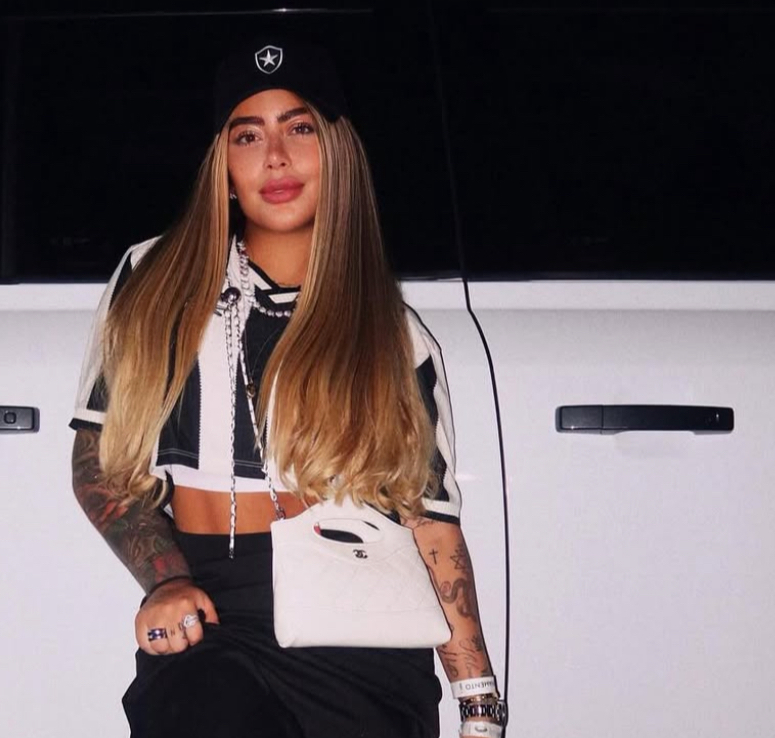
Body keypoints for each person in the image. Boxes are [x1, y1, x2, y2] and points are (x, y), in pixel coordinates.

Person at [70, 38, 507, 738]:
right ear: (224, 164)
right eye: (248, 135)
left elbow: (430, 523)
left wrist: (478, 702)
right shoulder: (154, 279)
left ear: (337, 152)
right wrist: (166, 579)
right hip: (215, 609)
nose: (275, 157)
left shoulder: (394, 333)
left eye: (299, 128)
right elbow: (96, 460)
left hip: (361, 622)